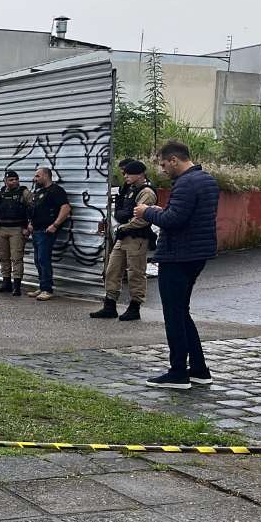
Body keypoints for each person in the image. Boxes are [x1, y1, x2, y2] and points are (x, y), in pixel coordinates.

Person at [135, 141, 219, 389]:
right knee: (182, 312)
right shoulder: (206, 180)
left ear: (174, 160)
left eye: (163, 164)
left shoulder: (186, 183)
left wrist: (147, 211)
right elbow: (185, 215)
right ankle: (199, 370)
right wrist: (163, 210)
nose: (162, 169)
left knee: (173, 314)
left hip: (179, 255)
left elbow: (174, 219)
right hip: (197, 254)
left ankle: (178, 373)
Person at [90, 160, 157, 321]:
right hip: (124, 236)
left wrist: (123, 227)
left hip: (136, 237)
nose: (125, 176)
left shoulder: (146, 192)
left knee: (136, 273)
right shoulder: (128, 190)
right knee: (112, 270)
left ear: (140, 174)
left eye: (128, 173)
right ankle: (110, 305)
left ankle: (135, 307)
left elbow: (142, 218)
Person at [25, 167, 71, 301]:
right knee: (37, 260)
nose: (35, 179)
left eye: (37, 176)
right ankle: (42, 285)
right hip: (36, 231)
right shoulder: (39, 192)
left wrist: (55, 225)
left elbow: (65, 208)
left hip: (46, 231)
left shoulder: (56, 190)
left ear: (46, 176)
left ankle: (47, 289)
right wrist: (31, 223)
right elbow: (36, 210)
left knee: (43, 260)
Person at [0, 170, 33, 296]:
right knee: (3, 258)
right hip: (1, 229)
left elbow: (33, 209)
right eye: (11, 180)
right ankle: (6, 283)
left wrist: (29, 226)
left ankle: (16, 286)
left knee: (16, 258)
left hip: (17, 229)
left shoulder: (24, 192)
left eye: (16, 179)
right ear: (5, 181)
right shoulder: (0, 193)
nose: (15, 182)